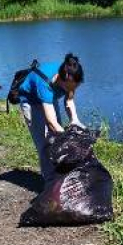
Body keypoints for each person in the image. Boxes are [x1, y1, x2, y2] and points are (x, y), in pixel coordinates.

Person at [17, 53, 84, 181]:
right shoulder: (44, 83)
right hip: (31, 101)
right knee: (44, 143)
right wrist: (69, 140)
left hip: (49, 99)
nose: (72, 89)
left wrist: (75, 120)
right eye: (69, 87)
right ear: (60, 79)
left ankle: (61, 174)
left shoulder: (71, 76)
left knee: (57, 139)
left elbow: (69, 101)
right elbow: (51, 123)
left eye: (74, 87)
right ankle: (50, 182)